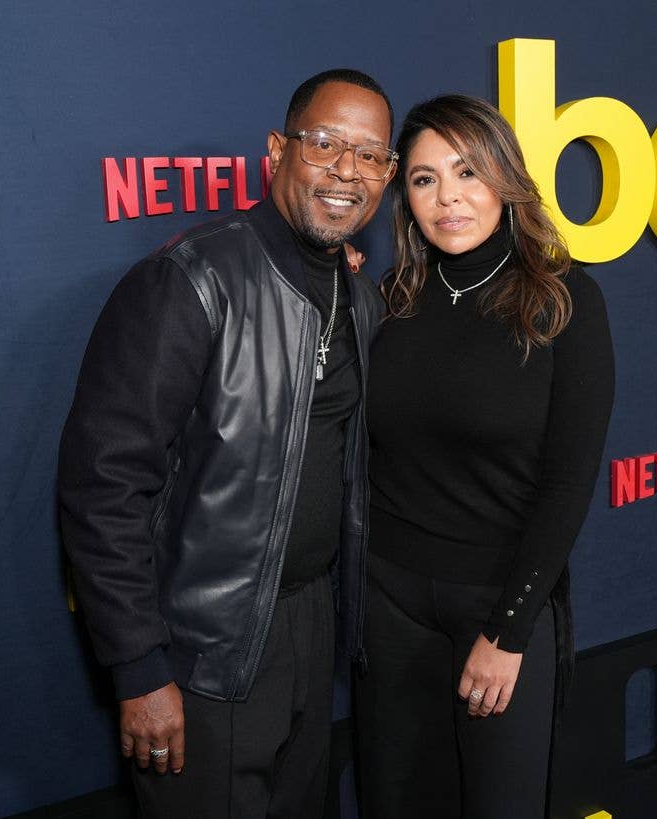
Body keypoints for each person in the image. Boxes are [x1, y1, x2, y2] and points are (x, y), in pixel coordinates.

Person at [58, 69, 396, 818]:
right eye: (325, 143)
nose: (348, 170)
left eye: (371, 154)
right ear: (277, 151)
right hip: (201, 649)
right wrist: (139, 668)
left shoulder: (359, 296)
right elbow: (104, 484)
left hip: (311, 625)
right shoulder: (191, 280)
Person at [355, 94, 615, 818]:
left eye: (467, 171)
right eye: (425, 178)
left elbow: (568, 484)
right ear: (406, 198)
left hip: (498, 604)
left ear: (504, 177)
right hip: (389, 603)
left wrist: (507, 630)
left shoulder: (564, 300)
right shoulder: (392, 298)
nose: (449, 198)